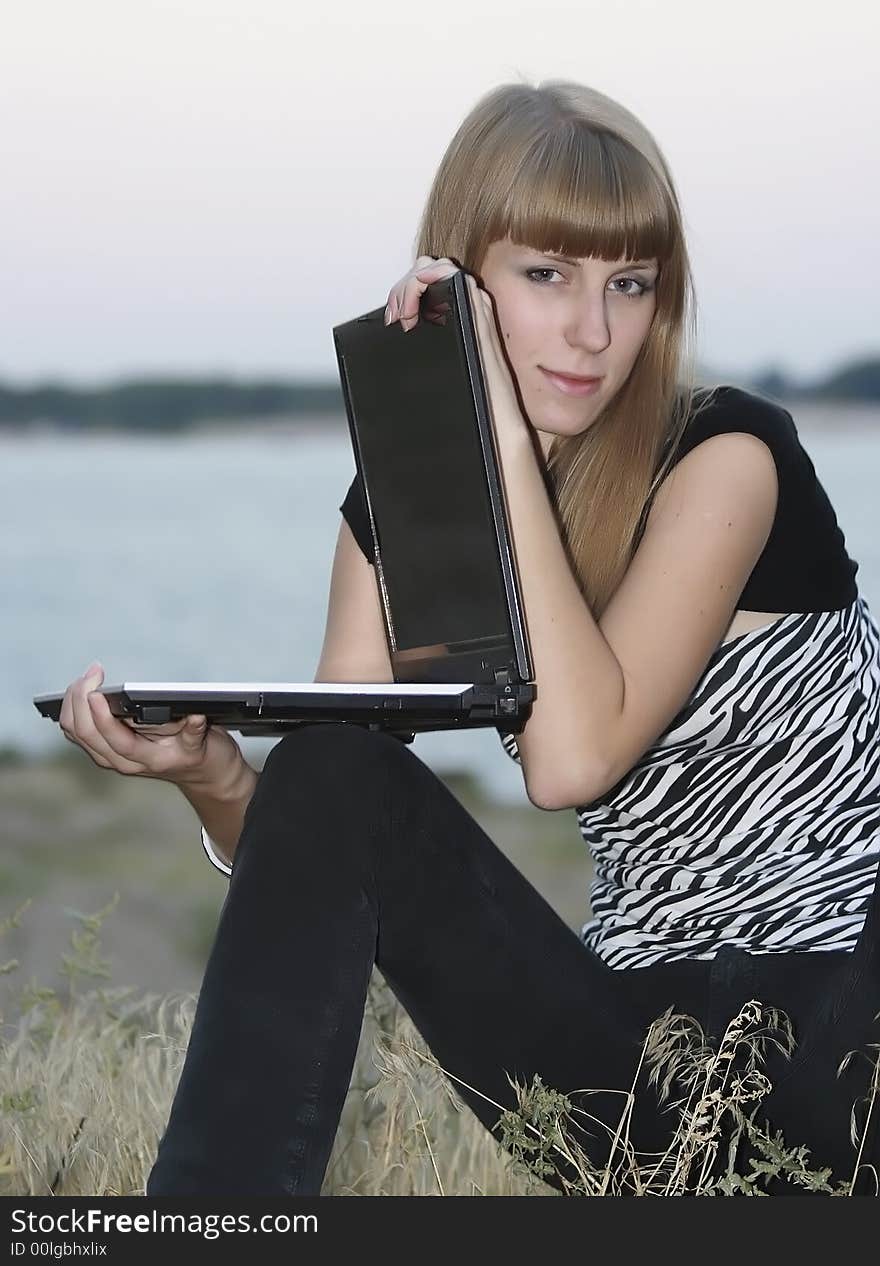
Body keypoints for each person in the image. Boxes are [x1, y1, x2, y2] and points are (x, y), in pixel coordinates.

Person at [60, 79, 880, 1197]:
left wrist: (487, 424)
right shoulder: (405, 514)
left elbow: (572, 757)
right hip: (632, 1081)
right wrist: (214, 780)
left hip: (840, 1029)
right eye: (546, 276)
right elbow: (326, 852)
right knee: (329, 759)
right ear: (466, 278)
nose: (593, 333)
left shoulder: (730, 459)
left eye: (627, 284)